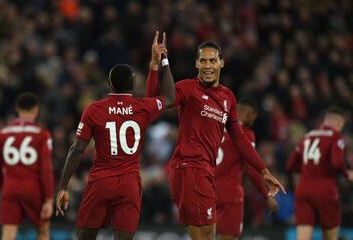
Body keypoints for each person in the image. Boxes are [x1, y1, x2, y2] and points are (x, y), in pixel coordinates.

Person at [146, 40, 285, 239]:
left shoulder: (228, 97)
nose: (208, 66)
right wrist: (154, 65)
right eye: (203, 61)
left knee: (207, 237)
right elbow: (153, 100)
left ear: (221, 62)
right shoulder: (187, 88)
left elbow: (239, 136)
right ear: (196, 64)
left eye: (212, 60)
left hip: (206, 173)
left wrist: (264, 171)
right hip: (189, 169)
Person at [55, 31, 175, 240]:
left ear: (110, 84)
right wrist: (160, 61)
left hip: (100, 181)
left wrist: (63, 186)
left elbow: (77, 149)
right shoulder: (143, 107)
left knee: (84, 237)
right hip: (129, 183)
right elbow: (170, 97)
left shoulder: (94, 109)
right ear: (133, 84)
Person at [215, 99, 279, 240]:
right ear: (249, 115)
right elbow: (251, 169)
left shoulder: (215, 126)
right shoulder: (245, 133)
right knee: (228, 237)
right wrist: (266, 196)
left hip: (205, 189)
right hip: (229, 193)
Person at [287, 106, 353, 240]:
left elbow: (291, 165)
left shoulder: (307, 136)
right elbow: (336, 162)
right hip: (325, 190)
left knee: (302, 237)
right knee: (330, 237)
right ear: (339, 122)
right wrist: (347, 174)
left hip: (303, 189)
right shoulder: (336, 136)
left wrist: (308, 171)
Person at [0, 92, 54, 240]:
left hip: (10, 187)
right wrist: (49, 198)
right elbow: (46, 169)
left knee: (8, 234)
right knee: (43, 231)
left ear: (17, 108)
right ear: (36, 109)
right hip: (33, 188)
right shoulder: (42, 134)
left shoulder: (2, 134)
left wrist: (5, 188)